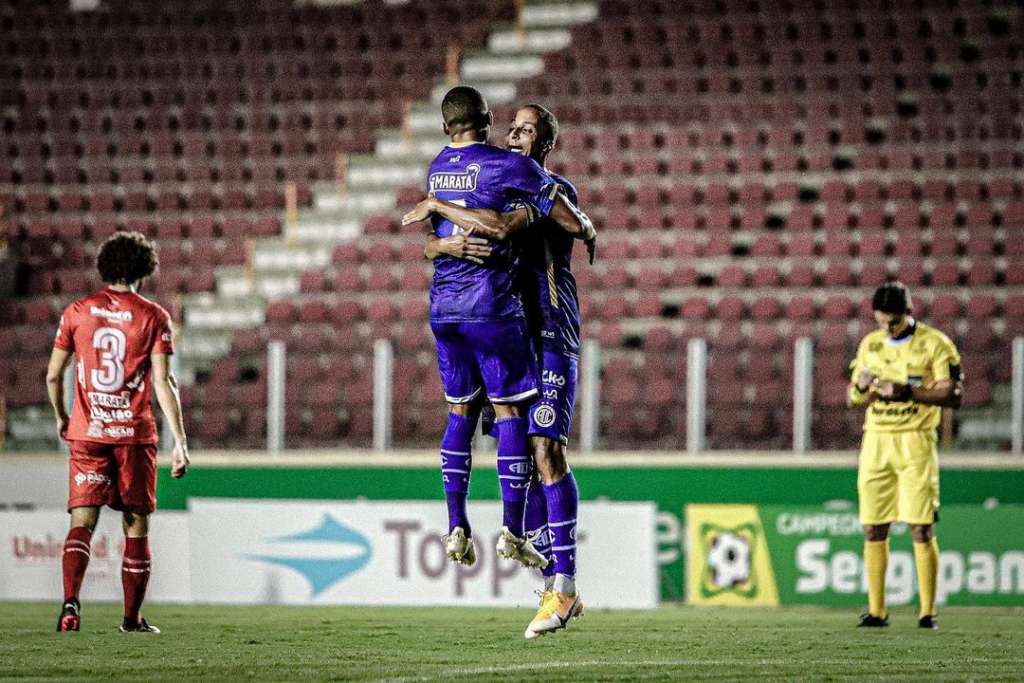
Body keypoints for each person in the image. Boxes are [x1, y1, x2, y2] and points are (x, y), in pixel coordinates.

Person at [405, 104, 590, 639]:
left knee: (546, 449)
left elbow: (537, 224)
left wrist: (587, 226)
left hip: (552, 333)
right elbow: (434, 243)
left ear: (546, 143)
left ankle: (565, 587)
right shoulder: (494, 182)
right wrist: (442, 238)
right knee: (523, 457)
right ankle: (555, 578)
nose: (514, 136)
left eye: (527, 130)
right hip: (509, 336)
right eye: (512, 128)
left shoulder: (547, 189)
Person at [45, 231, 190, 633]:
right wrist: (180, 441)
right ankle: (131, 618)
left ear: (105, 267)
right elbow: (164, 383)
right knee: (136, 526)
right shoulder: (154, 316)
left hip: (87, 433)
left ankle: (70, 605)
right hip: (133, 436)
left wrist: (62, 417)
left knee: (82, 522)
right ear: (144, 269)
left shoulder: (77, 311)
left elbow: (54, 375)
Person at [848, 282, 963, 630]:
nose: (886, 328)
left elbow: (953, 394)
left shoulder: (935, 344)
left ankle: (927, 613)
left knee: (921, 527)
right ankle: (877, 611)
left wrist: (907, 392)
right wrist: (861, 388)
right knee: (873, 527)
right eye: (881, 321)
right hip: (876, 442)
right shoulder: (870, 344)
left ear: (909, 313)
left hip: (915, 441)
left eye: (893, 322)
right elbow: (853, 398)